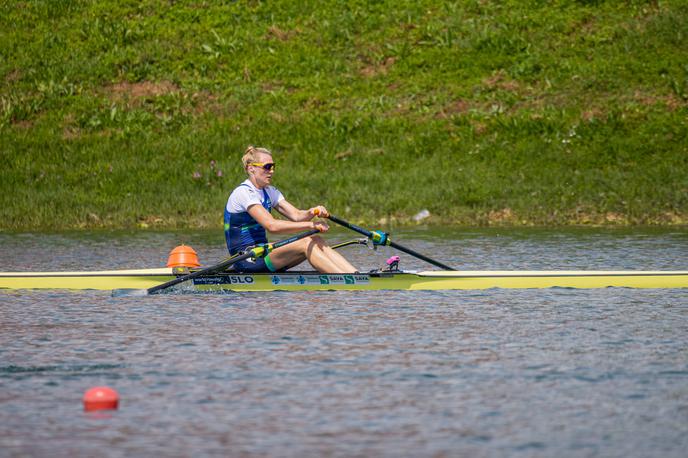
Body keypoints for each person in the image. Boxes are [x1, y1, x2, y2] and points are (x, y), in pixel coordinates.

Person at [223, 146, 357, 274]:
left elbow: (297, 215)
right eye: (267, 167)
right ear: (251, 168)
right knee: (305, 242)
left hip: (263, 252)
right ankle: (347, 280)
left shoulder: (269, 191)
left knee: (316, 239)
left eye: (273, 167)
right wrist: (311, 224)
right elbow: (272, 226)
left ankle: (354, 275)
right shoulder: (244, 193)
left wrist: (312, 212)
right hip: (246, 259)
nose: (272, 171)